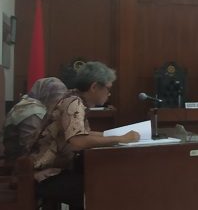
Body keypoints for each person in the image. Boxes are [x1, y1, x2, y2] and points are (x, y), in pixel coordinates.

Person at [30, 61, 139, 201]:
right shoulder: (74, 103)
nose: (109, 93)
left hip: (54, 170)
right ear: (94, 87)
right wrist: (121, 139)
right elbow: (78, 141)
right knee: (103, 185)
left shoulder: (75, 99)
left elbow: (84, 133)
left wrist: (113, 135)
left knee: (100, 177)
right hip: (43, 175)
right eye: (108, 88)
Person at [2, 77, 67, 160]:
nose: (57, 104)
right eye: (54, 98)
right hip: (20, 162)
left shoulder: (26, 105)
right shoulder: (32, 112)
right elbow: (32, 146)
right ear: (45, 95)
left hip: (25, 158)